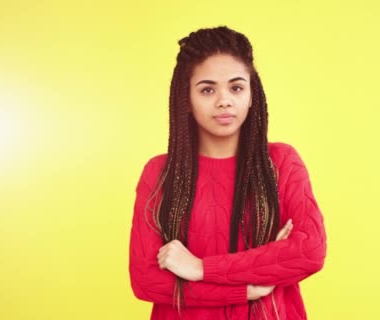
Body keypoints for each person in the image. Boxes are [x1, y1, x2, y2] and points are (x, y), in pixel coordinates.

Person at [129, 25, 327, 320]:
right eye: (208, 89)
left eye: (236, 87)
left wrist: (198, 268)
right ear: (186, 99)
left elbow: (309, 251)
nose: (224, 100)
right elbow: (146, 281)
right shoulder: (159, 173)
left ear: (251, 95)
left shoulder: (281, 163)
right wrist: (247, 287)